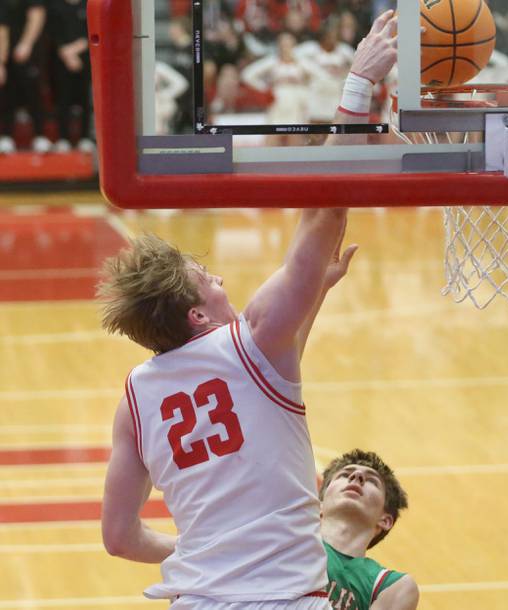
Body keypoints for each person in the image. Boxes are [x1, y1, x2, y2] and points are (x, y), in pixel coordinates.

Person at [98, 11, 397, 610]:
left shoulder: (136, 395)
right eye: (207, 279)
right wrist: (357, 89)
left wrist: (205, 549)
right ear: (198, 318)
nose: (221, 278)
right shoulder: (254, 338)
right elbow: (324, 212)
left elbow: (119, 537)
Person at [319, 450, 419, 610]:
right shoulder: (292, 539)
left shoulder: (391, 585)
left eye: (372, 481)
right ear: (319, 505)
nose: (357, 476)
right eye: (344, 475)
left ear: (385, 520)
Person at [0, 0, 49, 154]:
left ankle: (40, 136)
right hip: (8, 53)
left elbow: (37, 16)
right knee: (6, 93)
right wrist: (1, 61)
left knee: (33, 93)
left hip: (30, 52)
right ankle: (6, 136)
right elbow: (2, 29)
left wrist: (26, 44)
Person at [49, 0, 94, 153]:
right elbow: (52, 33)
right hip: (61, 62)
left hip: (84, 61)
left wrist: (74, 51)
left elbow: (92, 32)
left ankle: (85, 138)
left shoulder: (87, 6)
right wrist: (66, 53)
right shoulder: (56, 6)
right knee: (63, 99)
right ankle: (63, 139)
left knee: (84, 100)